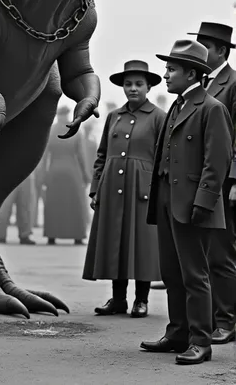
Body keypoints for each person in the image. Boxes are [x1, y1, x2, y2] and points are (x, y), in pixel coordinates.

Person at [141, 39, 233, 366]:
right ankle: (177, 332)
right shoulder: (177, 106)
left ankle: (200, 341)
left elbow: (217, 160)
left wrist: (204, 202)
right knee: (171, 272)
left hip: (192, 202)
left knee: (195, 275)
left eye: (171, 69)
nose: (164, 75)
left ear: (191, 73)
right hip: (167, 198)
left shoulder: (211, 108)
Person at [83, 60, 165, 317]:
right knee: (115, 241)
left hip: (143, 190)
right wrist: (96, 188)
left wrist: (158, 191)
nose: (133, 89)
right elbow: (102, 154)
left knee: (141, 244)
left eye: (139, 84)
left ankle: (142, 300)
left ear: (148, 87)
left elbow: (164, 156)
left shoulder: (158, 117)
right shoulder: (113, 116)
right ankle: (118, 299)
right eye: (128, 84)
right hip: (113, 188)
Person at [188, 22, 236, 344]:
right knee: (205, 254)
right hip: (203, 179)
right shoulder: (201, 81)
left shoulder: (232, 83)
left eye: (207, 45)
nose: (202, 51)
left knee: (222, 254)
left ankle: (227, 321)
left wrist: (235, 180)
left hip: (224, 182)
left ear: (222, 51)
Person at [43, 105, 90, 245]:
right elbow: (81, 155)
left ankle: (52, 236)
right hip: (72, 170)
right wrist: (86, 175)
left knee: (53, 203)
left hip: (54, 170)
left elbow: (44, 156)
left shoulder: (50, 131)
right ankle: (78, 236)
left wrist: (43, 175)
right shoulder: (75, 130)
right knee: (75, 203)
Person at [0, 175, 36, 245]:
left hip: (26, 173)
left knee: (25, 205)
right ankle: (1, 235)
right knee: (5, 205)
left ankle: (25, 235)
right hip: (7, 173)